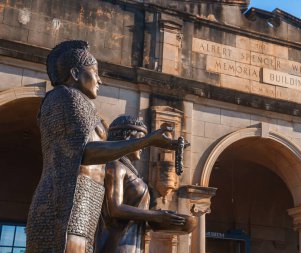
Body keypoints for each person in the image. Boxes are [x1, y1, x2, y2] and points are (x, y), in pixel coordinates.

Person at [26, 40, 181, 253]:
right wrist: (149, 140)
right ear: (75, 73)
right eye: (94, 72)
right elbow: (85, 152)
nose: (100, 80)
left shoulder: (81, 103)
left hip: (82, 206)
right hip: (62, 207)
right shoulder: (65, 97)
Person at [95, 115, 185, 253]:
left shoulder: (130, 170)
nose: (143, 147)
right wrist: (155, 216)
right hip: (116, 246)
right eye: (141, 140)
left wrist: (160, 221)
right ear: (127, 138)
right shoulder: (115, 165)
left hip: (134, 245)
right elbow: (115, 208)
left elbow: (133, 220)